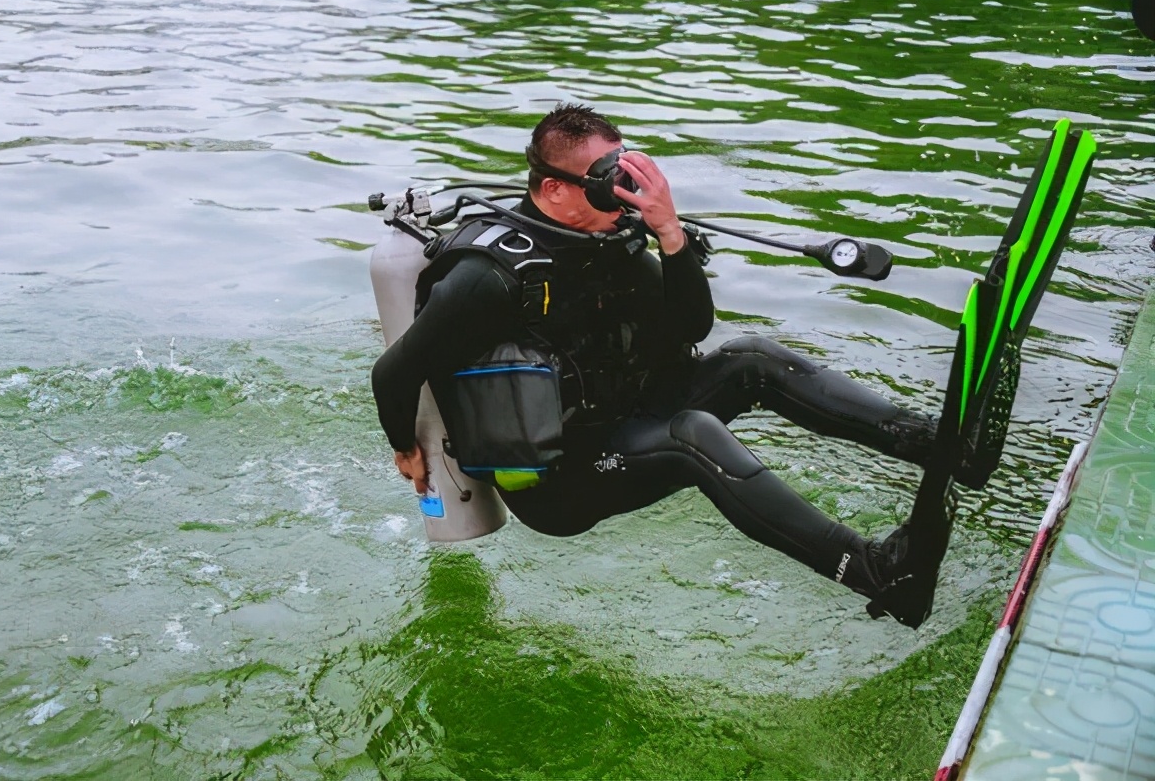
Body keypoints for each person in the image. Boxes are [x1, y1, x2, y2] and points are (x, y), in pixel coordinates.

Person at [371, 103, 949, 627]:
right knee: (692, 436)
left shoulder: (609, 240)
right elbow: (393, 373)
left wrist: (670, 236)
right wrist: (407, 449)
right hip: (562, 480)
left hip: (628, 417)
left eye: (624, 180)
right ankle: (878, 574)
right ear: (553, 188)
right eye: (605, 186)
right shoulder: (488, 278)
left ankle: (933, 443)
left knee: (753, 359)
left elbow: (690, 328)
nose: (621, 200)